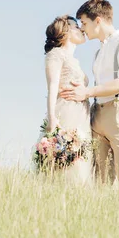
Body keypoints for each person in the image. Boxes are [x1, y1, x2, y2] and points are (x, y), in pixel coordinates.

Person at [60, 0, 119, 191]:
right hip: (97, 115)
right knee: (100, 180)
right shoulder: (98, 53)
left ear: (98, 20)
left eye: (84, 23)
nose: (82, 29)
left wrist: (86, 92)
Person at [42, 15, 92, 183]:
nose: (82, 29)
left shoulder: (75, 61)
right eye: (77, 26)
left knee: (82, 162)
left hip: (82, 115)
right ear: (67, 30)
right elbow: (52, 86)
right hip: (66, 113)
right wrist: (52, 118)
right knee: (65, 163)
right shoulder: (56, 54)